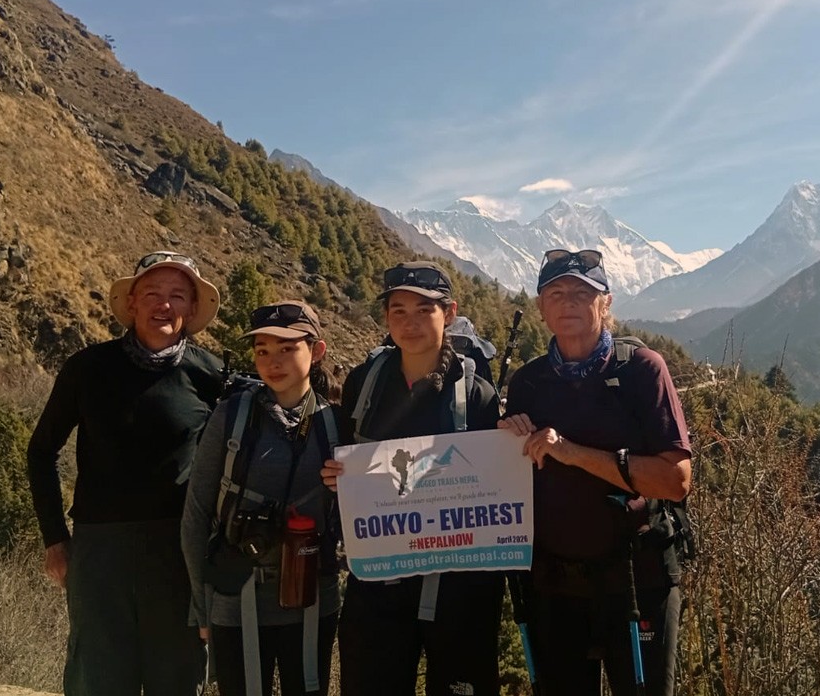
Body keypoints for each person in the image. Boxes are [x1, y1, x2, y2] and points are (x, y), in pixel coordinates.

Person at [26, 251, 223, 696]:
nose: (164, 305)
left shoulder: (211, 377)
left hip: (178, 552)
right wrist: (55, 538)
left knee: (176, 676)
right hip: (99, 552)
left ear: (192, 309)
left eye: (177, 295)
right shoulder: (87, 368)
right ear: (132, 302)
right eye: (152, 293)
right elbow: (41, 453)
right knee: (98, 676)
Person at [498, 248, 692, 696]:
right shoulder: (527, 383)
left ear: (606, 303)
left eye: (583, 292)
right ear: (541, 307)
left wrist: (570, 451)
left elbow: (676, 481)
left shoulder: (642, 370)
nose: (569, 302)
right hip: (554, 584)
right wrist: (503, 442)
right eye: (557, 292)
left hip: (637, 578)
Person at [320, 261, 504, 696]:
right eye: (398, 310)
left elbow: (494, 479)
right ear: (386, 318)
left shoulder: (476, 393)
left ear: (450, 312)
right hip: (379, 583)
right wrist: (338, 477)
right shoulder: (365, 383)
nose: (410, 322)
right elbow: (348, 458)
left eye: (425, 310)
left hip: (459, 590)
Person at [181, 301, 340, 696]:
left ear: (316, 351)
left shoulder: (337, 425)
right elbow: (197, 512)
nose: (273, 362)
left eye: (288, 348)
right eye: (263, 350)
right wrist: (201, 605)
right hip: (236, 597)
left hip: (312, 599)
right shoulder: (230, 416)